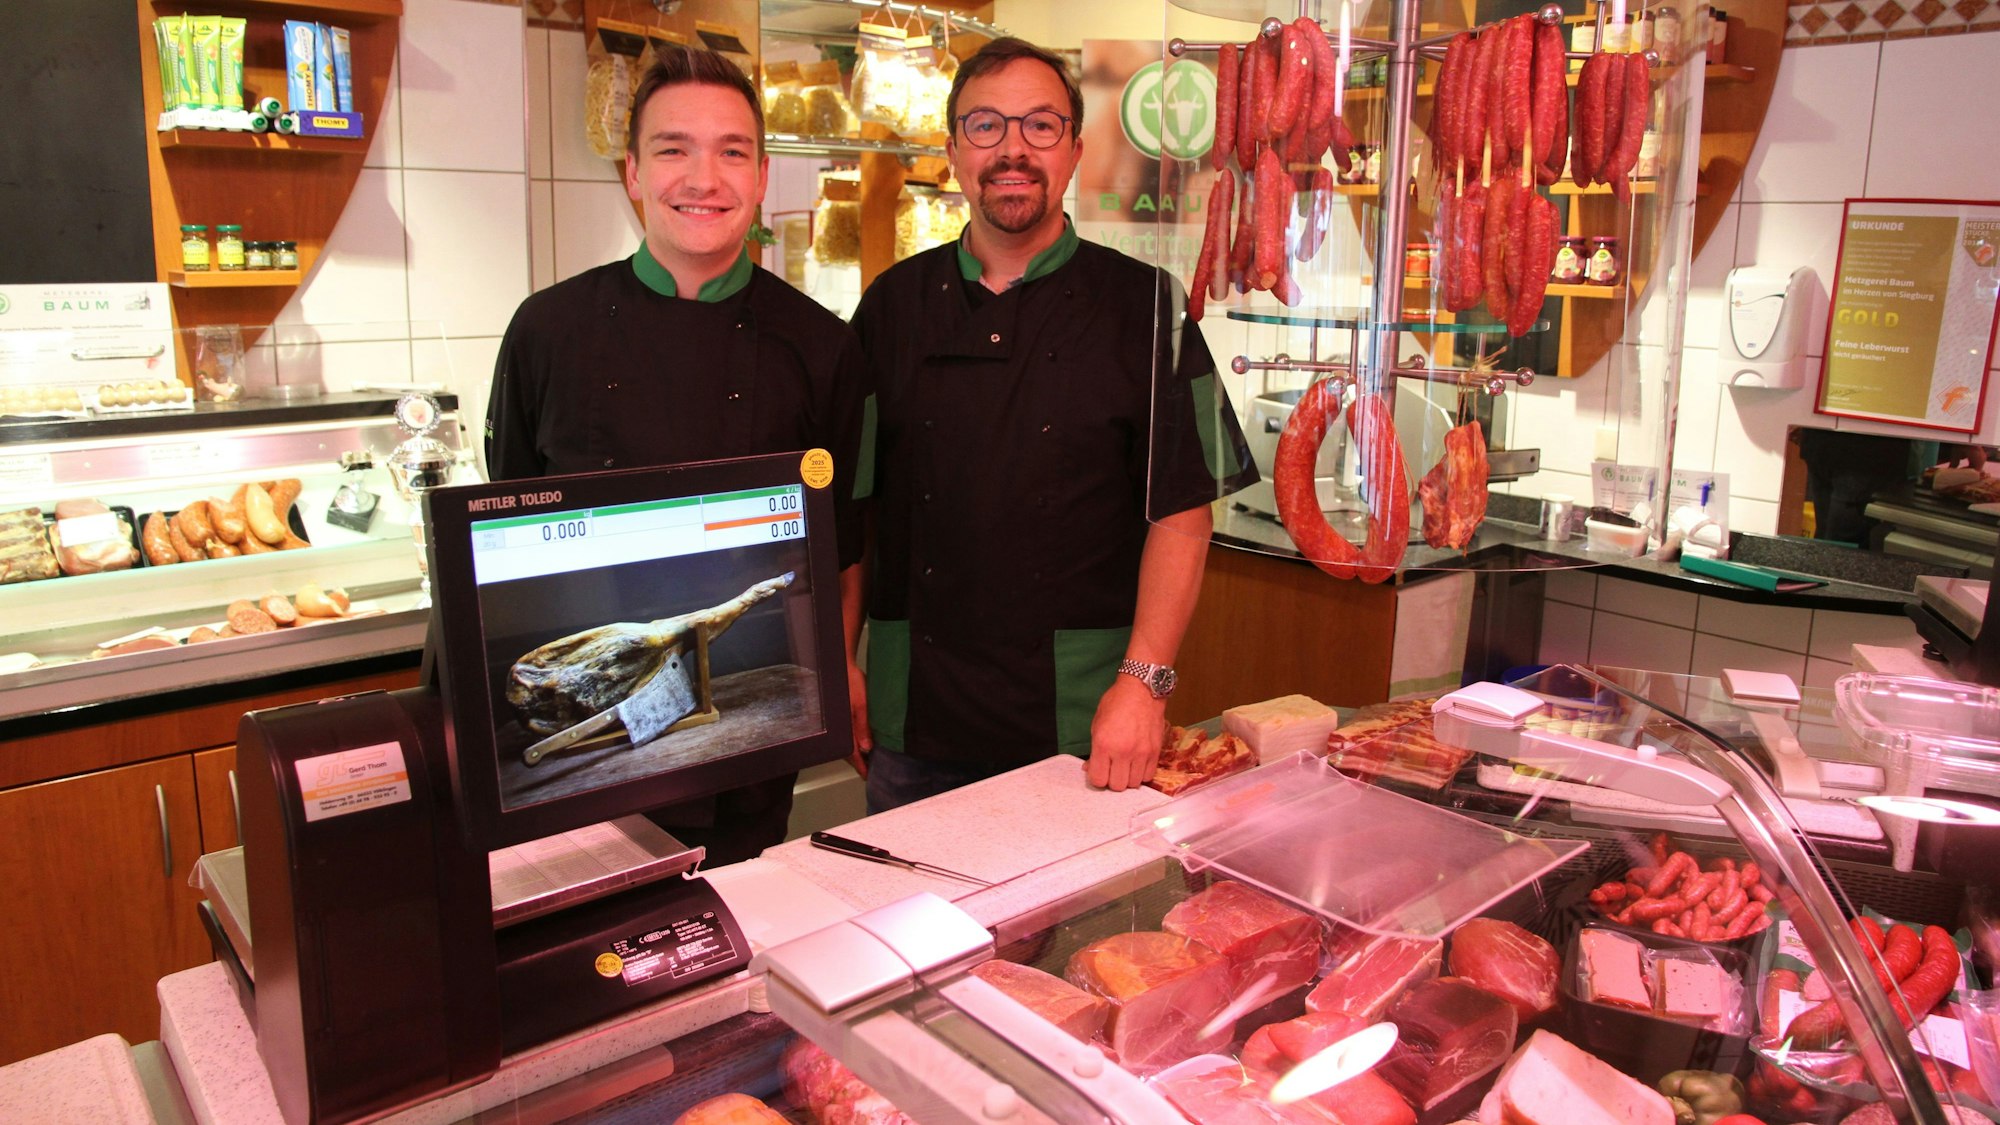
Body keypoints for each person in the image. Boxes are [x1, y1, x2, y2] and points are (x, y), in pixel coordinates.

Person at [847, 37, 1257, 813]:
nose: (1013, 150)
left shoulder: (1148, 307)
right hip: (914, 721)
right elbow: (853, 513)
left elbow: (1182, 512)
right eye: (985, 125)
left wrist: (1146, 684)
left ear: (1074, 151)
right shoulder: (889, 306)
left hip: (1085, 720)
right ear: (952, 152)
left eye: (1040, 125)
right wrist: (841, 661)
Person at [485, 47, 871, 866]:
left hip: (742, 729)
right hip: (577, 737)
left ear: (761, 176)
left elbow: (843, 547)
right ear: (632, 172)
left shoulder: (822, 348)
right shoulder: (546, 331)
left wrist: (836, 671)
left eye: (731, 152)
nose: (704, 178)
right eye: (673, 149)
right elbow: (503, 532)